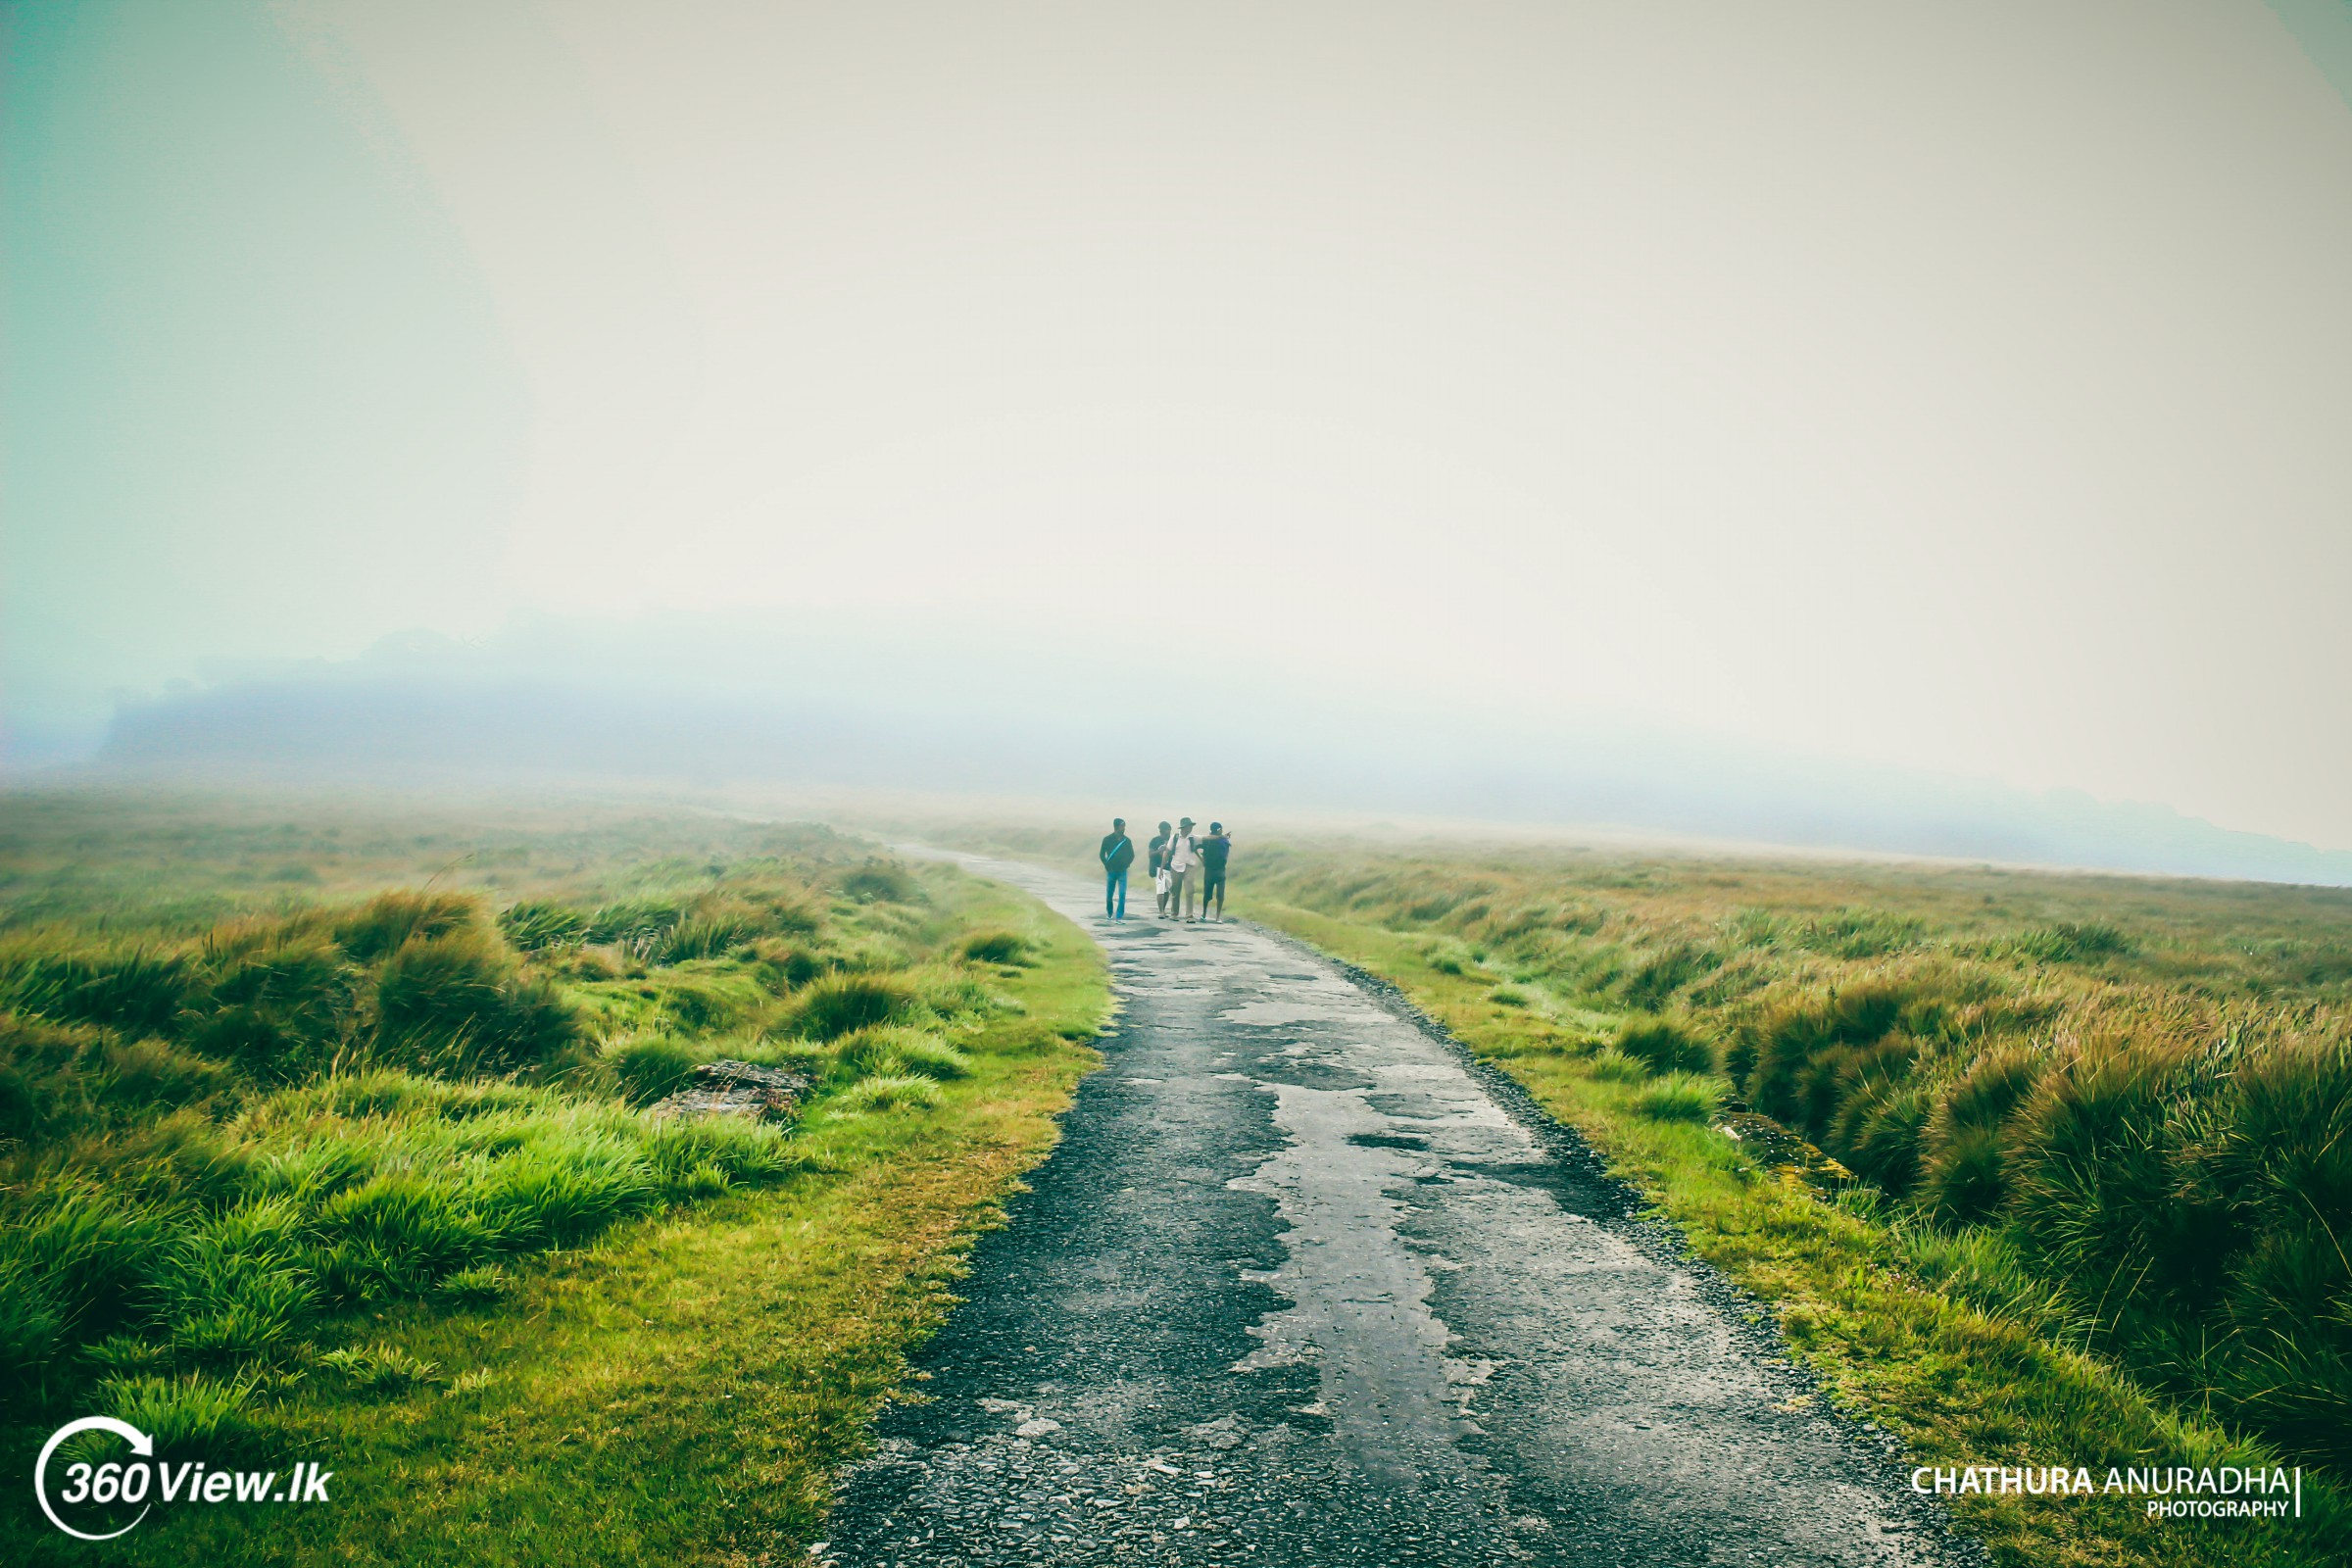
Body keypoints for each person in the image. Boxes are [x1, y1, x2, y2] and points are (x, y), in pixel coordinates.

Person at [1098, 817, 1135, 920]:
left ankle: (1119, 916)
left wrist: (1126, 864)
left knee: (1122, 894)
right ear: (1116, 827)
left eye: (1124, 826)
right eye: (1122, 826)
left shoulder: (1127, 841)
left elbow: (1132, 855)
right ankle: (1109, 913)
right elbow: (1101, 854)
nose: (1123, 828)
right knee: (1109, 895)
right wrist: (1106, 865)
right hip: (1111, 871)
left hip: (1122, 871)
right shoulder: (1107, 839)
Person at [1164, 817, 1200, 920]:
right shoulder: (1174, 838)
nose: (1191, 828)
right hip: (1176, 866)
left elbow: (1206, 838)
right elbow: (1167, 851)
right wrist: (1162, 867)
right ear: (1184, 827)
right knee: (1175, 891)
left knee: (1189, 891)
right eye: (1189, 826)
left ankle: (1189, 915)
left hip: (1189, 866)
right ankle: (1174, 913)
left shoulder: (1193, 838)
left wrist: (1221, 836)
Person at [1198, 821, 1233, 921]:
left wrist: (1202, 860)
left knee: (1213, 895)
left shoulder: (1215, 840)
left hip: (1213, 870)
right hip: (1217, 870)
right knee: (1212, 895)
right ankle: (1214, 917)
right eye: (1220, 829)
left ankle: (1206, 915)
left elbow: (1199, 849)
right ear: (1218, 829)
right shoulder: (1212, 840)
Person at [1148, 820, 1173, 916]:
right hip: (1158, 867)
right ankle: (1161, 911)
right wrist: (1160, 851)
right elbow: (1150, 854)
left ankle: (1163, 909)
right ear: (1161, 831)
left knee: (1167, 890)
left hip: (1170, 868)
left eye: (1169, 830)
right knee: (1160, 889)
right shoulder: (1155, 841)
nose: (1169, 833)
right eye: (1167, 830)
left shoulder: (1172, 840)